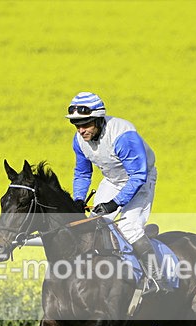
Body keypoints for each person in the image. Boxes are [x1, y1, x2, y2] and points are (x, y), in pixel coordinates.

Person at [66, 91, 164, 291]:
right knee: (93, 225)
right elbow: (82, 173)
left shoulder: (123, 136)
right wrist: (78, 199)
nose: (81, 130)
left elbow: (138, 176)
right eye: (76, 125)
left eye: (85, 124)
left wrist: (115, 203)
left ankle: (157, 278)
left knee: (128, 228)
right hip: (112, 179)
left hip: (140, 180)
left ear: (98, 119)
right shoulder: (79, 141)